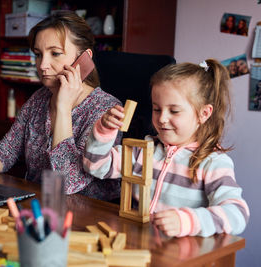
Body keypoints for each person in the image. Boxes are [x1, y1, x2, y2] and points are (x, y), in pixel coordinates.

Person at [0, 11, 122, 201]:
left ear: (84, 58)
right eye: (38, 54)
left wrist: (63, 108)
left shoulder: (106, 109)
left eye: (55, 53)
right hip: (38, 205)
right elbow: (9, 149)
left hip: (86, 214)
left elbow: (67, 182)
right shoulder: (39, 98)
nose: (43, 65)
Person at [83, 59, 249, 237]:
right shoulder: (144, 151)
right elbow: (96, 166)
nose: (162, 118)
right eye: (156, 109)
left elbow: (237, 213)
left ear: (204, 113)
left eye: (174, 111)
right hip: (141, 246)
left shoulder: (212, 162)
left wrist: (187, 221)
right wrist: (103, 130)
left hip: (181, 256)